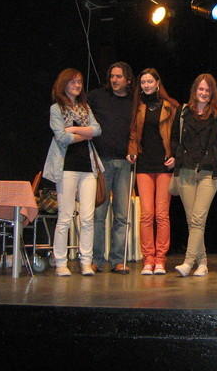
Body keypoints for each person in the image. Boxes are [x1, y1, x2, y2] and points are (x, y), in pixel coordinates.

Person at [43, 68, 103, 277]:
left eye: (79, 82)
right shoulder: (56, 109)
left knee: (87, 218)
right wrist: (85, 134)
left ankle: (86, 262)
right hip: (66, 167)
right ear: (64, 84)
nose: (77, 85)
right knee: (65, 217)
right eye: (73, 82)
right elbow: (62, 138)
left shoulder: (85, 108)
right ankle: (61, 262)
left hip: (88, 168)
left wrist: (75, 129)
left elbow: (97, 130)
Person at [171, 74, 217, 277]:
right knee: (192, 220)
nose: (204, 93)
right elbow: (174, 138)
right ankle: (202, 263)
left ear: (212, 93)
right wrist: (176, 156)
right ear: (194, 90)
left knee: (198, 218)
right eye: (201, 89)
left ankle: (188, 262)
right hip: (185, 171)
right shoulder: (183, 111)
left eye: (207, 90)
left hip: (208, 172)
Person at [127, 68, 178, 275]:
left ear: (157, 83)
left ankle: (160, 259)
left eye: (150, 81)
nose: (146, 85)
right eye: (143, 82)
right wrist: (131, 151)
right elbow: (132, 134)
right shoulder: (137, 107)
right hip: (144, 165)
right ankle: (148, 258)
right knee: (147, 214)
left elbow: (176, 135)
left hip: (164, 164)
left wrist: (175, 155)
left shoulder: (170, 106)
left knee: (162, 215)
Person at [88, 62, 134, 274]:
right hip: (102, 163)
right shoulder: (97, 97)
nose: (114, 80)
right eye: (112, 76)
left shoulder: (133, 101)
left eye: (119, 76)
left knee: (122, 215)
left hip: (124, 163)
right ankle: (96, 259)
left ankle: (118, 260)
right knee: (99, 214)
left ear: (128, 80)